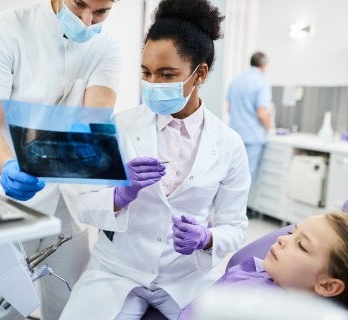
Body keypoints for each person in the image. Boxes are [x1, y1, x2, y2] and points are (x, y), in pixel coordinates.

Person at [59, 0, 251, 319]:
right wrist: (120, 195)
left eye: (167, 74)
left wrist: (207, 238)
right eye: (146, 73)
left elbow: (236, 227)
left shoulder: (229, 145)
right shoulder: (120, 127)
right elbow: (84, 203)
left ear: (200, 73)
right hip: (117, 272)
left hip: (186, 277)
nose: (153, 85)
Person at [0, 0, 122, 319]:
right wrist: (7, 166)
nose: (88, 20)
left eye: (101, 11)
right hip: (2, 197)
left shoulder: (106, 45)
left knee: (72, 306)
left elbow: (96, 110)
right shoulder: (3, 31)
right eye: (80, 5)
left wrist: (88, 131)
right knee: (1, 309)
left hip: (64, 201)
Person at [178, 211, 348, 319]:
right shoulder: (258, 270)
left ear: (327, 285)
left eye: (302, 245)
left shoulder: (272, 313)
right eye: (291, 232)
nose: (282, 239)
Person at [226, 52, 272, 181]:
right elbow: (262, 114)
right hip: (253, 137)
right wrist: (269, 127)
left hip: (235, 134)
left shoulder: (236, 81)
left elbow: (229, 108)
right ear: (263, 65)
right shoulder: (262, 83)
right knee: (246, 178)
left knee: (232, 176)